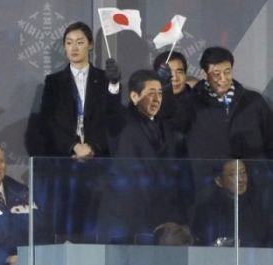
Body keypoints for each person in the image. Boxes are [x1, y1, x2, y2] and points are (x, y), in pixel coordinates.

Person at [32, 22, 119, 241]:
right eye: (69, 43)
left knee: (95, 223)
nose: (74, 47)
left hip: (98, 161)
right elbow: (48, 122)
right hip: (64, 162)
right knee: (65, 224)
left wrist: (115, 85)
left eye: (80, 42)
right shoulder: (53, 82)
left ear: (90, 45)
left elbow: (113, 118)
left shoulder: (104, 78)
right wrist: (73, 145)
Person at [97, 69, 190, 243]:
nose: (157, 99)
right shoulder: (123, 121)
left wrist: (167, 86)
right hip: (123, 220)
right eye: (151, 94)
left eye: (160, 94)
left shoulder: (165, 126)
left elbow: (174, 114)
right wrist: (114, 86)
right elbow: (111, 111)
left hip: (158, 219)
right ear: (134, 97)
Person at [190, 159, 273, 247]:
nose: (241, 179)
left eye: (243, 173)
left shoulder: (260, 205)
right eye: (234, 175)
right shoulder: (206, 210)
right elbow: (201, 243)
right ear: (219, 181)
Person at [152, 50, 190, 157]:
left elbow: (177, 121)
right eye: (168, 73)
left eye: (179, 72)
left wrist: (166, 89)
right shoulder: (146, 104)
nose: (174, 78)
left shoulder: (196, 101)